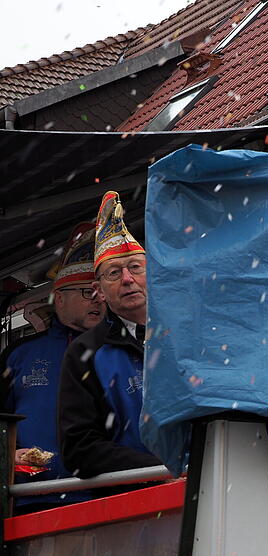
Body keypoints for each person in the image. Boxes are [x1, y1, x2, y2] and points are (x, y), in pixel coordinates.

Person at [0, 223, 105, 509]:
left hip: (109, 499)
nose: (97, 298)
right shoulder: (20, 354)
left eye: (101, 291)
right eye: (87, 291)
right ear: (60, 298)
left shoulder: (121, 350)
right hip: (32, 502)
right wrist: (9, 454)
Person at [58, 191, 162, 478]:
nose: (127, 279)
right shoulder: (85, 353)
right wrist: (157, 471)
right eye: (114, 273)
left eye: (135, 268)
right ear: (99, 290)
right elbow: (79, 449)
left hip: (210, 488)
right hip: (132, 503)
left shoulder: (187, 334)